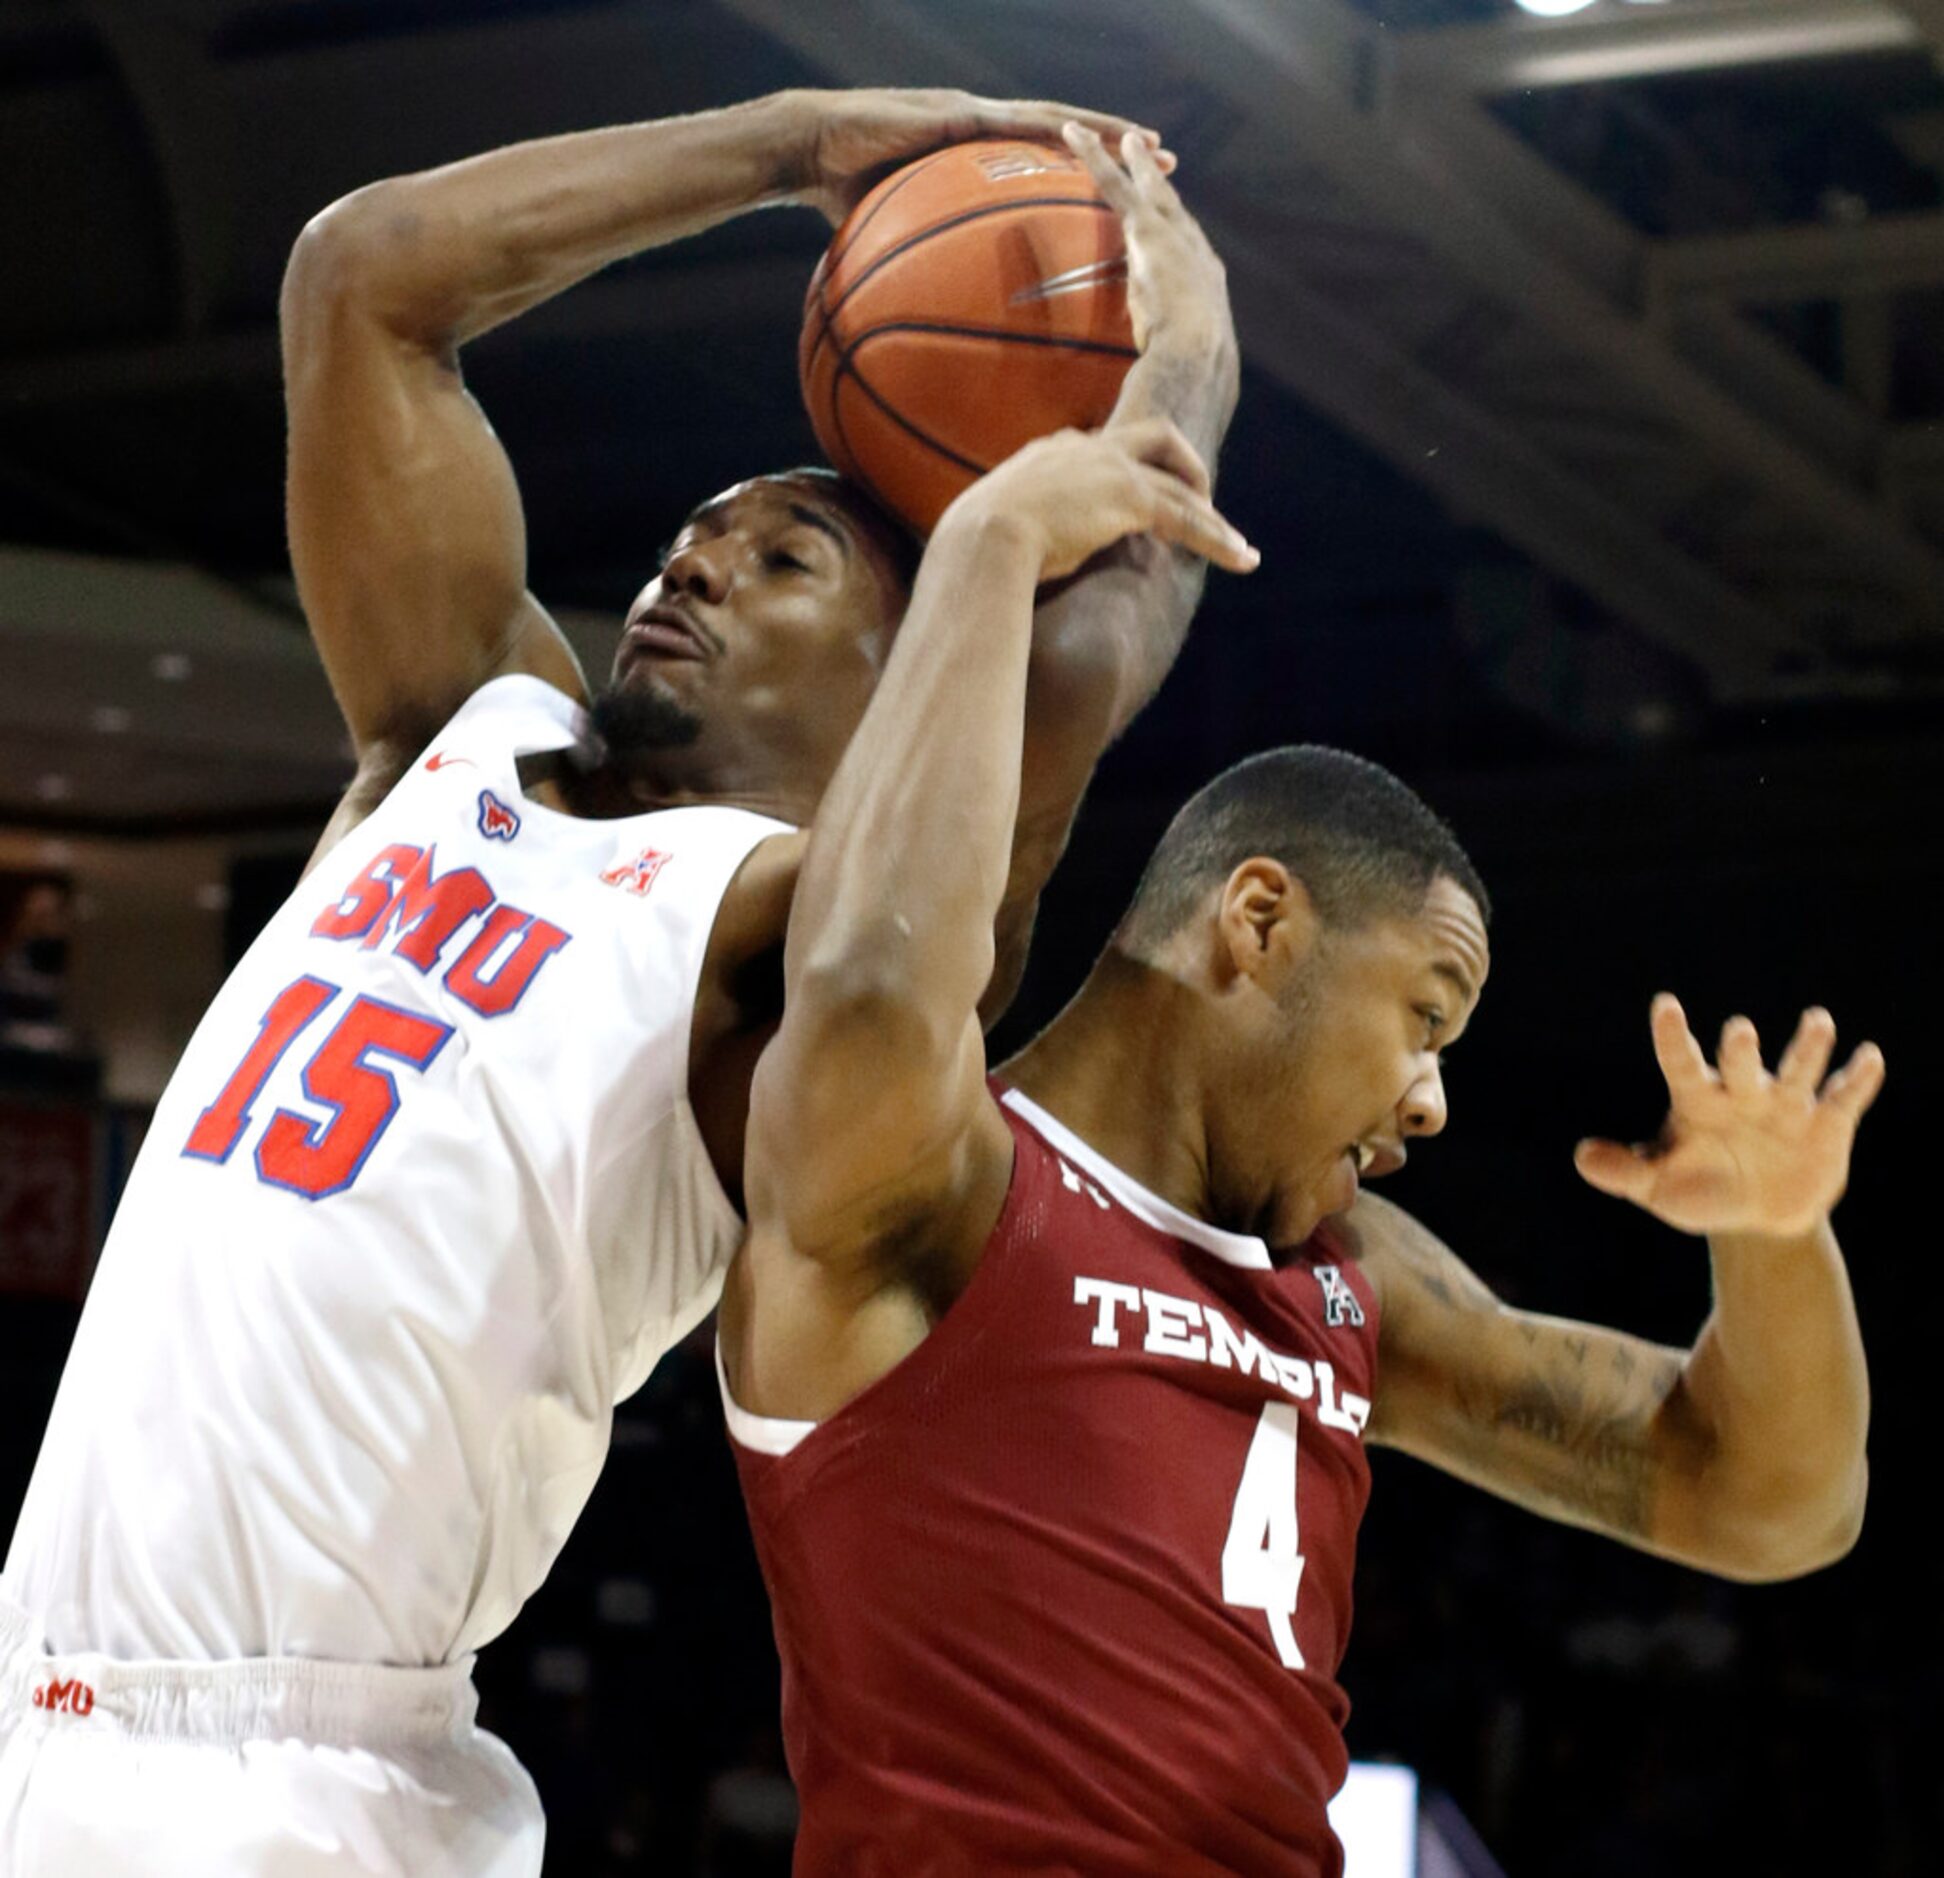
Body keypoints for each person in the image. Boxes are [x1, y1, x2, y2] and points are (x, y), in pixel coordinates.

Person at [0, 99, 1237, 1875]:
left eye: (779, 557)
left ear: (911, 681)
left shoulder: (790, 936)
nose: (695, 562)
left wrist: (1180, 369)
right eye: (695, 537)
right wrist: (789, 149)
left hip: (283, 1770)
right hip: (39, 1706)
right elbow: (363, 285)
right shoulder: (465, 732)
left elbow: (1070, 676)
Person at [718, 412, 1883, 1874]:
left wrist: (1775, 1237)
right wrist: (993, 544)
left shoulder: (1352, 1285)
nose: (1432, 1100)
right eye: (1426, 1015)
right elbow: (879, 973)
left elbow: (1772, 1499)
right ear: (1257, 922)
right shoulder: (935, 1187)